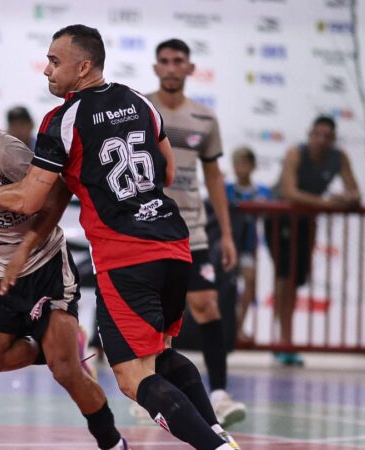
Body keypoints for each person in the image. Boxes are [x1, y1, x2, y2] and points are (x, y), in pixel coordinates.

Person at [0, 25, 239, 450]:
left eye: (54, 61)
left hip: (126, 256)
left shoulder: (63, 120)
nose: (46, 70)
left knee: (131, 377)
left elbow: (29, 200)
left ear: (83, 67)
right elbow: (168, 172)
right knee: (160, 356)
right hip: (174, 244)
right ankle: (218, 435)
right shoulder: (140, 101)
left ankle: (216, 448)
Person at [0, 70, 129, 450]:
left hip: (43, 267)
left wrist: (22, 247)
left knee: (66, 372)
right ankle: (46, 346)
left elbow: (57, 195)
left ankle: (113, 443)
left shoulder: (6, 152)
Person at [146, 38, 245, 428]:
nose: (171, 67)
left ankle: (219, 394)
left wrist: (228, 235)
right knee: (151, 314)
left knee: (207, 305)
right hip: (148, 227)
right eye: (164, 61)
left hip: (192, 231)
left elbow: (214, 176)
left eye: (178, 61)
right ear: (156, 68)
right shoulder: (141, 109)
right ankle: (148, 390)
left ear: (190, 68)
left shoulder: (205, 118)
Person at [268, 115, 360, 365]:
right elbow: (289, 192)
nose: (321, 140)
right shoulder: (295, 153)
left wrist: (346, 198)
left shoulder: (339, 157)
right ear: (310, 135)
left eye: (327, 136)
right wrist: (326, 203)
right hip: (280, 219)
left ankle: (282, 340)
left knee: (295, 280)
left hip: (306, 222)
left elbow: (355, 192)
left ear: (333, 139)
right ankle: (283, 340)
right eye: (317, 134)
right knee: (285, 278)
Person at [225, 147, 271, 343]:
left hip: (247, 247)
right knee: (225, 288)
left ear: (253, 166)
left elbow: (269, 215)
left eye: (244, 163)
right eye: (236, 163)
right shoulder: (225, 188)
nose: (239, 168)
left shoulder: (262, 192)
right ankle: (227, 329)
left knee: (250, 283)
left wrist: (263, 206)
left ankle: (237, 328)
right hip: (226, 246)